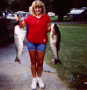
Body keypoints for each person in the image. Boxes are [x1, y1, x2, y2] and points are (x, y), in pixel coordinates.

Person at [22, 0, 51, 89]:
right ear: (33, 8)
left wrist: (50, 28)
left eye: (39, 7)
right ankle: (34, 79)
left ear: (42, 8)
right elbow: (21, 25)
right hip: (31, 43)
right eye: (36, 7)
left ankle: (39, 78)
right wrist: (19, 22)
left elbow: (48, 29)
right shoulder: (29, 18)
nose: (38, 9)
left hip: (42, 42)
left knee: (40, 62)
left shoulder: (46, 17)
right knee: (33, 62)